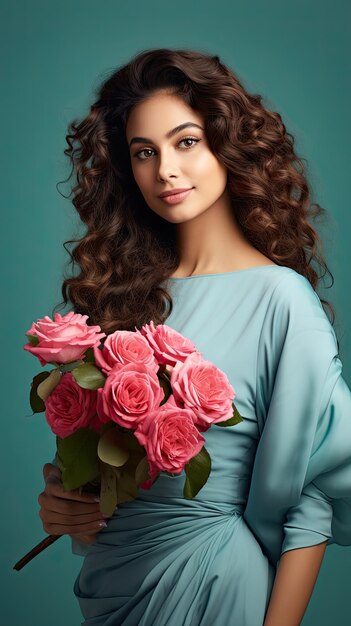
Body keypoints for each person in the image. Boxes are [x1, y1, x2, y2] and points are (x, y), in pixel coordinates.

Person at [38, 47, 351, 626]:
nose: (165, 171)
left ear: (227, 143)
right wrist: (64, 504)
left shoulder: (282, 301)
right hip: (114, 584)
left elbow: (313, 500)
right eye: (144, 153)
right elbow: (105, 472)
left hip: (212, 581)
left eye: (186, 142)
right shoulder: (124, 299)